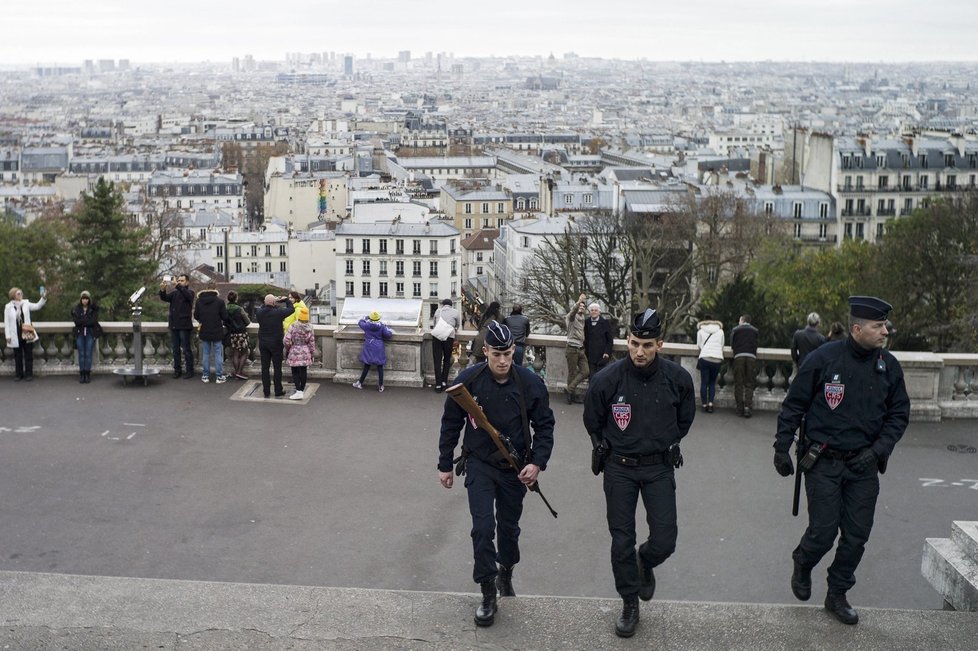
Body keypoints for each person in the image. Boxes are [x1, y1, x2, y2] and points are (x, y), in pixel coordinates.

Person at [773, 296, 910, 626]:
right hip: (823, 460)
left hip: (863, 464)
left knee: (857, 535)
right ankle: (803, 561)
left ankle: (837, 593)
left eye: (885, 326)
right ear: (856, 328)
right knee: (823, 531)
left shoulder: (888, 366)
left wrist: (878, 451)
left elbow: (899, 414)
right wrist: (781, 447)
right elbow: (794, 405)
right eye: (878, 326)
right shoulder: (824, 359)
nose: (885, 331)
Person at [583, 309, 695, 638]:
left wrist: (666, 442)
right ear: (627, 341)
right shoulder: (608, 379)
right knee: (621, 542)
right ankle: (630, 602)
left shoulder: (678, 379)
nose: (639, 351)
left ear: (660, 343)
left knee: (665, 539)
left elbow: (685, 420)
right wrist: (605, 445)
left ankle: (644, 561)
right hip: (619, 468)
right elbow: (592, 419)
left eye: (647, 344)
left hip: (659, 466)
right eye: (634, 343)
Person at [438, 321, 555, 628]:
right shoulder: (468, 380)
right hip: (479, 464)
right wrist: (444, 463)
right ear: (485, 351)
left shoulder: (530, 383)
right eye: (496, 354)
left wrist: (538, 463)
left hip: (515, 469)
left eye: (507, 354)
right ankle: (488, 590)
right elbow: (451, 423)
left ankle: (506, 570)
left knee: (508, 528)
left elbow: (544, 427)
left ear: (513, 350)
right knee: (482, 527)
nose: (502, 361)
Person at [255, 294, 294, 398]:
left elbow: (262, 307)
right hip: (276, 343)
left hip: (263, 343)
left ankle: (266, 391)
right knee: (277, 368)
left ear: (264, 302)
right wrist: (285, 300)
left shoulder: (259, 312)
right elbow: (291, 309)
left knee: (265, 368)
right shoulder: (279, 312)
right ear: (273, 303)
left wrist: (271, 302)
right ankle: (278, 390)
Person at [5, 286, 47, 382]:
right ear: (13, 295)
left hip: (27, 332)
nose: (20, 295)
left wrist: (43, 298)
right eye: (18, 293)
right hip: (15, 333)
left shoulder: (26, 303)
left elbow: (37, 306)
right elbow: (6, 322)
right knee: (17, 355)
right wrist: (8, 335)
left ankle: (29, 374)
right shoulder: (8, 307)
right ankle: (19, 374)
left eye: (21, 293)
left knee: (28, 354)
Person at [159, 274, 196, 379]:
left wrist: (177, 286)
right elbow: (165, 298)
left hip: (184, 325)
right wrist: (162, 290)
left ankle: (189, 371)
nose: (179, 282)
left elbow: (187, 296)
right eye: (178, 280)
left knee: (186, 350)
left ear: (187, 282)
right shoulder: (175, 293)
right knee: (175, 350)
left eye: (182, 280)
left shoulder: (190, 292)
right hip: (174, 325)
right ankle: (177, 370)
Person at [193, 283, 229, 384]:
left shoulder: (199, 301)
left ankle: (205, 376)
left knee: (206, 353)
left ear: (206, 289)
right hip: (217, 330)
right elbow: (225, 316)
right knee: (218, 354)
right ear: (215, 289)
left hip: (204, 329)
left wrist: (203, 319)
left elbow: (196, 315)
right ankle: (219, 376)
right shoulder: (220, 301)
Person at [353, 311, 393, 392]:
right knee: (380, 366)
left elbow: (360, 322)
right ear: (379, 318)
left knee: (367, 365)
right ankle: (381, 386)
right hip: (379, 347)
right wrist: (388, 326)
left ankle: (360, 383)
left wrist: (366, 317)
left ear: (370, 318)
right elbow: (388, 335)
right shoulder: (381, 326)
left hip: (369, 346)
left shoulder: (367, 325)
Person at [284, 306, 316, 400]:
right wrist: (312, 354)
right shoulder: (310, 328)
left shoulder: (293, 326)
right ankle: (301, 390)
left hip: (294, 350)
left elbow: (286, 340)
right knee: (303, 371)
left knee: (295, 372)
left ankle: (298, 391)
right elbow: (312, 343)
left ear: (299, 317)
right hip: (305, 351)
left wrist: (289, 348)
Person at [730, 314, 759, 418]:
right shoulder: (755, 331)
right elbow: (756, 344)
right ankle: (747, 407)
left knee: (739, 383)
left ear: (742, 320)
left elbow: (732, 344)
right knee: (749, 383)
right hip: (751, 357)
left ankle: (739, 408)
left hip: (739, 357)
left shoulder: (735, 330)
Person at [70, 290, 101, 383]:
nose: (85, 300)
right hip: (79, 334)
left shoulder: (92, 309)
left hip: (90, 334)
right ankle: (82, 373)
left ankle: (87, 373)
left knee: (88, 353)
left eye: (86, 298)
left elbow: (93, 321)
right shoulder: (77, 309)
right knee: (81, 354)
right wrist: (86, 321)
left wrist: (83, 321)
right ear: (81, 299)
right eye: (83, 298)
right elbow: (76, 321)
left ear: (89, 299)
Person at [695, 315, 724, 413]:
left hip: (705, 357)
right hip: (717, 359)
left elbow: (699, 345)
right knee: (712, 383)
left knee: (704, 382)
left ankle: (704, 405)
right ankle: (711, 404)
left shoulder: (700, 331)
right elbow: (722, 345)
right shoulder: (720, 331)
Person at [431, 298, 461, 392]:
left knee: (437, 360)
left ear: (443, 305)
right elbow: (458, 325)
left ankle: (438, 385)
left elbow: (435, 323)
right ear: (451, 305)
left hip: (437, 337)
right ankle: (444, 382)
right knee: (447, 359)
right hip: (449, 337)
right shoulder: (455, 312)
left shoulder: (438, 311)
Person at [565, 293, 590, 405]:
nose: (582, 308)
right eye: (580, 306)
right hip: (572, 349)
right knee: (572, 373)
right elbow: (573, 311)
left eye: (584, 307)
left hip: (580, 349)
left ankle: (569, 389)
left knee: (585, 371)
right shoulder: (571, 317)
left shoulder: (582, 319)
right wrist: (579, 301)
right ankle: (571, 395)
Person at [225, 290, 251, 380]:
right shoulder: (239, 309)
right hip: (241, 333)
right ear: (236, 298)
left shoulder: (225, 308)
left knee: (235, 353)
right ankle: (239, 372)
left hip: (232, 333)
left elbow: (224, 321)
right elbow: (247, 321)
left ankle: (237, 373)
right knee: (245, 353)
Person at [584, 302, 614, 380]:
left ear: (599, 312)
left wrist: (607, 352)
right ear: (589, 312)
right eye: (592, 310)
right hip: (589, 356)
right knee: (591, 378)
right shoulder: (586, 322)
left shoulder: (605, 323)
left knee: (601, 378)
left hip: (602, 356)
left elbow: (610, 340)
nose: (593, 312)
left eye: (595, 310)